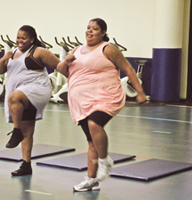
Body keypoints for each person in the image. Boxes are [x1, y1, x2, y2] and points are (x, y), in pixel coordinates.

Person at [57, 18, 147, 192]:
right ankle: (91, 180)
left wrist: (140, 92)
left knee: (94, 124)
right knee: (91, 142)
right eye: (88, 28)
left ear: (103, 32)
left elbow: (128, 69)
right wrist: (66, 61)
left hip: (105, 97)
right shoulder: (77, 50)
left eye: (95, 29)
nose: (90, 31)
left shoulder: (108, 48)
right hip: (81, 102)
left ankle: (105, 161)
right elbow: (61, 70)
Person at [0, 25, 60, 176]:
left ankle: (16, 132)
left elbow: (60, 66)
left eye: (23, 38)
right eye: (18, 37)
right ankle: (26, 165)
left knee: (14, 97)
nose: (20, 40)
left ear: (31, 39)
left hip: (37, 89)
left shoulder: (39, 52)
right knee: (28, 131)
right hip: (22, 95)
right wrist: (5, 57)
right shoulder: (12, 53)